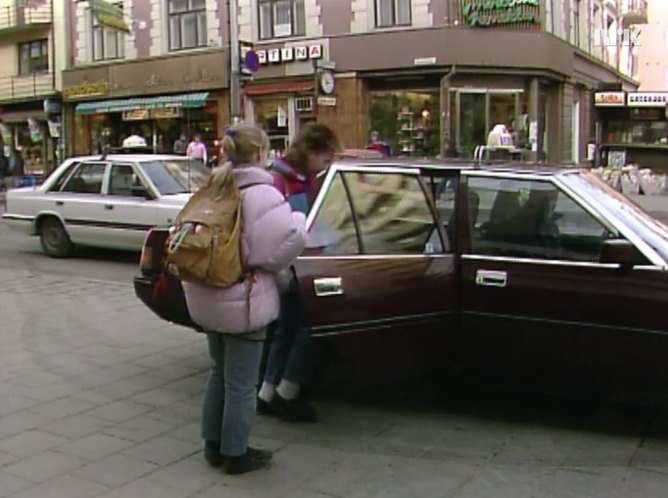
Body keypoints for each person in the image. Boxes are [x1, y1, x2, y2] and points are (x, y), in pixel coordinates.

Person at [183, 124, 308, 474]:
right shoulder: (262, 195)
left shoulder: (214, 187)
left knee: (219, 372)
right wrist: (299, 223)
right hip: (244, 299)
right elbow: (275, 253)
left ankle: (213, 444)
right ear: (260, 153)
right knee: (241, 381)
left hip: (207, 294)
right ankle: (236, 453)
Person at [257, 123, 341, 422]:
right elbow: (286, 227)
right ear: (310, 152)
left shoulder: (301, 179)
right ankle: (286, 392)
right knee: (304, 331)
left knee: (286, 330)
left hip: (297, 265)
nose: (326, 164)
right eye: (325, 157)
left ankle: (267, 392)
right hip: (292, 267)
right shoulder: (284, 181)